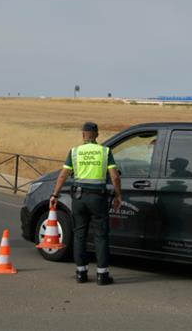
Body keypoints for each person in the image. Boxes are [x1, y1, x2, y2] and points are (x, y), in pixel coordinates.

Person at [49, 122, 122, 285]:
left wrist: (55, 194)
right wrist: (118, 195)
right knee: (101, 236)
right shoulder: (105, 151)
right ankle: (102, 275)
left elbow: (62, 175)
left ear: (83, 135)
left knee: (80, 234)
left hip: (79, 198)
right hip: (98, 198)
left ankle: (81, 273)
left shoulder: (75, 152)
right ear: (97, 135)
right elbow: (115, 176)